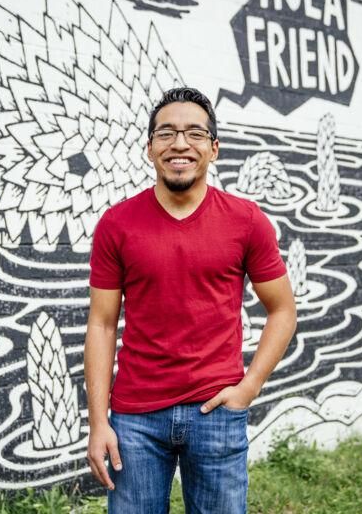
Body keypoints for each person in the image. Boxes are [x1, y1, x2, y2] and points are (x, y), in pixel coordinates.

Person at [84, 87, 297, 513]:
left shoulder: (246, 221)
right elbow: (102, 324)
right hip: (135, 419)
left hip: (217, 412)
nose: (180, 144)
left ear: (213, 149)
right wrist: (98, 421)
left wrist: (249, 387)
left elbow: (283, 309)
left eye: (194, 134)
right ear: (149, 149)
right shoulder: (117, 224)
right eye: (166, 134)